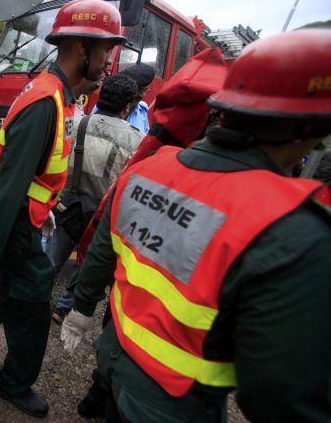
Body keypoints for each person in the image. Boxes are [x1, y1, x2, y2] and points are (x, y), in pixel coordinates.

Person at [61, 30, 331, 422]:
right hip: (174, 403)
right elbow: (282, 394)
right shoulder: (292, 227)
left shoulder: (148, 170)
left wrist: (82, 306)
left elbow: (103, 248)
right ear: (309, 130)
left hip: (114, 362)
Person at [0, 0, 127, 418]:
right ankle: (14, 383)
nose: (108, 61)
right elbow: (5, 192)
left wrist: (47, 204)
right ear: (81, 49)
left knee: (1, 297)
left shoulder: (60, 97)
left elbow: (35, 174)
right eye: (105, 51)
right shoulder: (46, 102)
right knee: (32, 308)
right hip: (18, 225)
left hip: (30, 219)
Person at [50, 74, 143, 324]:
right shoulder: (136, 140)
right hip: (100, 215)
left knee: (51, 260)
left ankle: (34, 297)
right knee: (86, 264)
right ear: (127, 106)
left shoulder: (78, 122)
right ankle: (64, 307)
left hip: (66, 206)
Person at [120, 63, 156, 134]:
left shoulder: (142, 109)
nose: (142, 95)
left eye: (145, 90)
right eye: (139, 89)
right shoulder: (108, 105)